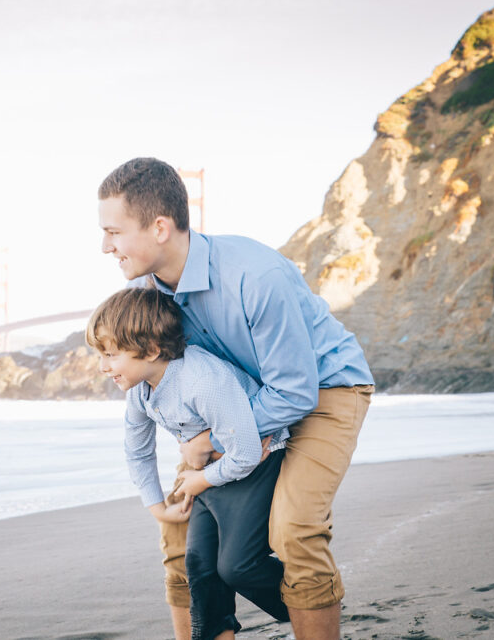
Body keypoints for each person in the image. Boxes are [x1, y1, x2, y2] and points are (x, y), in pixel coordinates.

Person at [97, 157, 375, 640]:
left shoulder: (254, 276)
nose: (106, 247)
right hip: (235, 403)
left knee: (294, 529)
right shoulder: (145, 293)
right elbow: (162, 386)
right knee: (178, 530)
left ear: (159, 227)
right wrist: (206, 440)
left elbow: (293, 392)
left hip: (324, 389)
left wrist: (212, 438)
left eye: (113, 232)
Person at [86, 288, 290, 639]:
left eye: (111, 354)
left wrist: (199, 481)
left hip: (258, 462)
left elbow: (245, 454)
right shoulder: (140, 389)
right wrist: (157, 507)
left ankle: (309, 607)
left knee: (238, 566)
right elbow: (137, 451)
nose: (103, 366)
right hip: (214, 468)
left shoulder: (202, 381)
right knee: (198, 566)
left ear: (150, 350)